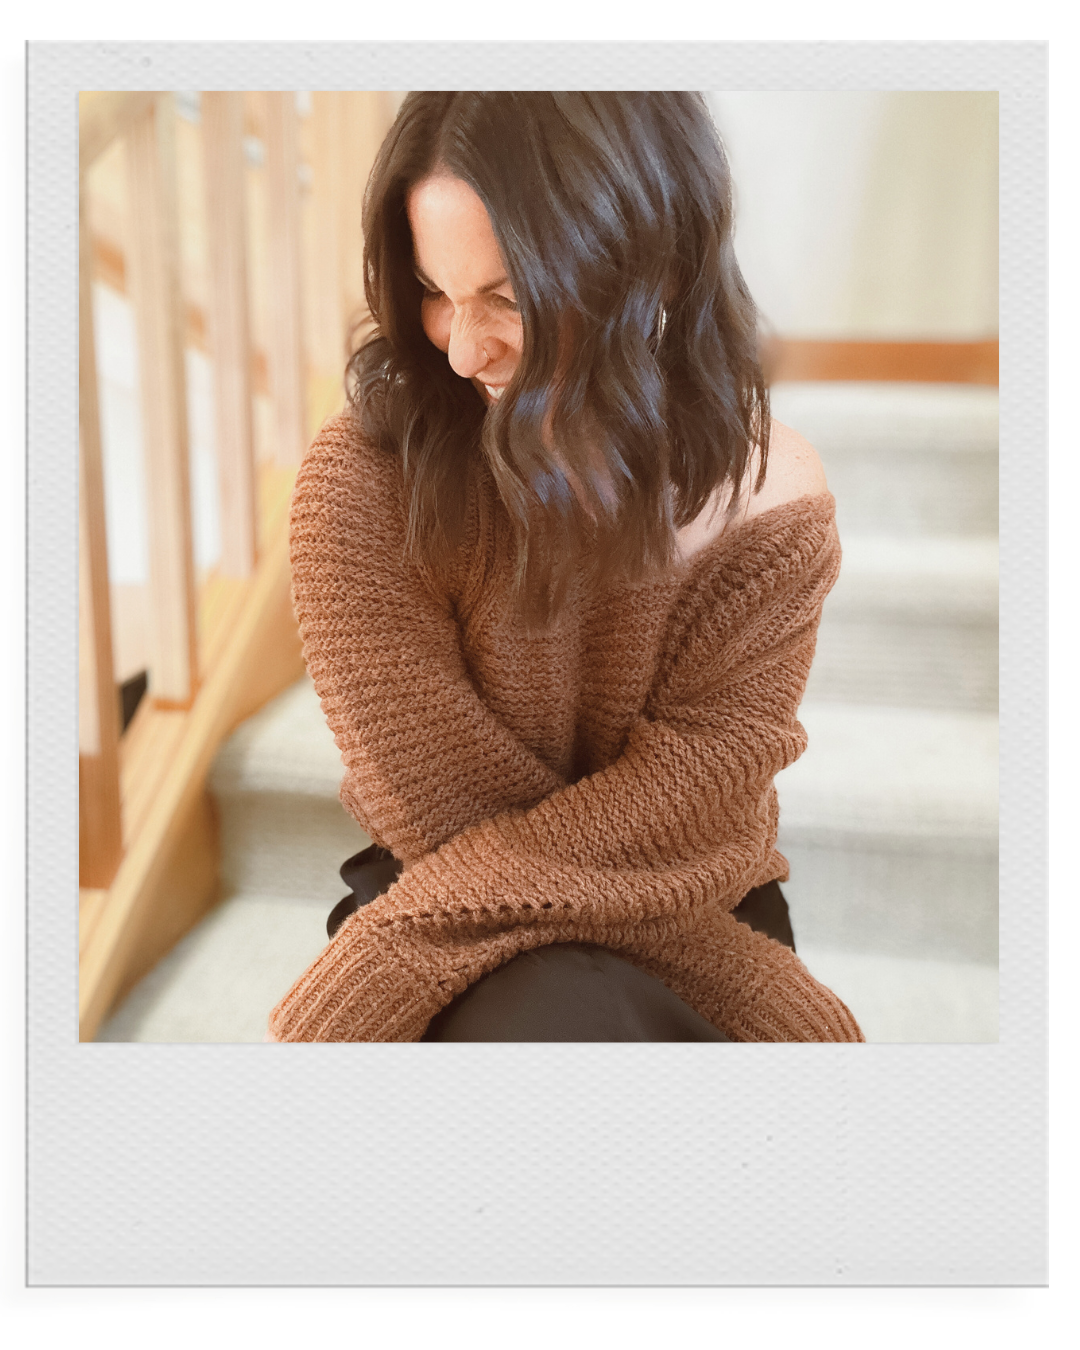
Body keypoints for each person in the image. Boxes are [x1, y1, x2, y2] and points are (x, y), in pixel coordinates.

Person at [266, 92, 864, 1043]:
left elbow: (699, 791)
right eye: (433, 290)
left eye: (507, 298)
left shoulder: (771, 494)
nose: (464, 349)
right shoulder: (363, 482)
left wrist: (393, 949)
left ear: (655, 266)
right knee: (560, 1013)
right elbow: (440, 808)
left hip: (687, 893)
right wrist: (738, 981)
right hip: (439, 876)